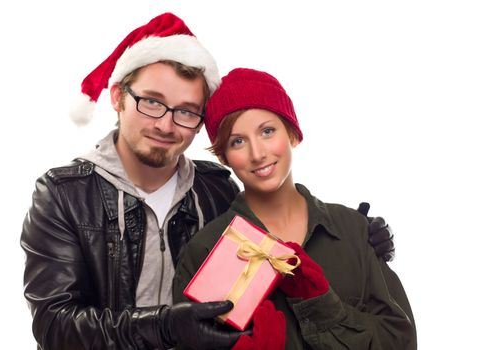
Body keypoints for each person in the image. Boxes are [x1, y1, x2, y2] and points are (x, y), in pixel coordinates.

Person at [21, 13, 396, 350]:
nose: (166, 125)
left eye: (186, 111)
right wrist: (167, 328)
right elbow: (54, 326)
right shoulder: (63, 194)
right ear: (118, 97)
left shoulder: (216, 190)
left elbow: (276, 247)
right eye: (151, 102)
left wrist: (357, 238)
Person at [173, 68, 417, 349]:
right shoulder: (207, 249)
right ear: (224, 156)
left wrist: (322, 307)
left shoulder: (353, 229)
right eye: (237, 141)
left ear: (292, 134)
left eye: (267, 131)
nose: (257, 153)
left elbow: (401, 340)